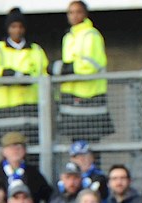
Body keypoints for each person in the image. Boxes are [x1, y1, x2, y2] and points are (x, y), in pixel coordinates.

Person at [0, 8, 48, 144]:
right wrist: (12, 75)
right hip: (3, 110)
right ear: (8, 28)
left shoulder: (36, 50)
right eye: (13, 26)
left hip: (30, 109)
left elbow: (43, 74)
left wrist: (28, 78)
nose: (17, 30)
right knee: (4, 150)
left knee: (32, 149)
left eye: (20, 27)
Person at [53, 2, 111, 140]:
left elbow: (90, 65)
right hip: (71, 95)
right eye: (71, 12)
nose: (74, 16)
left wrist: (64, 68)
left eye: (78, 12)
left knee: (91, 143)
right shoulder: (68, 37)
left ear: (85, 14)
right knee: (76, 143)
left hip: (90, 95)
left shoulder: (91, 35)